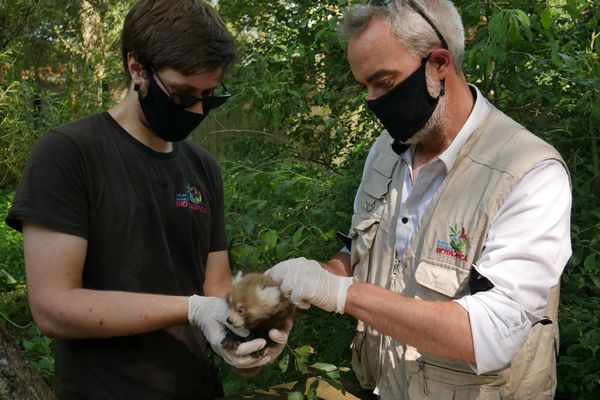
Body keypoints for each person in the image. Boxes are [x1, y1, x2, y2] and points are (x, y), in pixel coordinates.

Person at [266, 1, 571, 399]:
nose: (372, 102)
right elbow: (362, 248)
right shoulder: (386, 152)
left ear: (439, 64)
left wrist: (342, 294)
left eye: (385, 83)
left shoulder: (529, 172)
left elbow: (493, 333)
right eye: (366, 87)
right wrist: (315, 279)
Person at [5, 1, 289, 399]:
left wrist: (248, 338)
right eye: (181, 94)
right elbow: (53, 307)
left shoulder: (202, 167)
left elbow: (217, 288)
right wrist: (191, 309)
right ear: (137, 69)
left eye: (210, 96)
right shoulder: (70, 154)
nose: (196, 109)